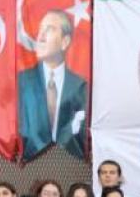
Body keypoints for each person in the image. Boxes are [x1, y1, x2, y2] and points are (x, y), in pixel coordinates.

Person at [18, 9, 88, 159]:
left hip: (70, 166)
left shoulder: (80, 87)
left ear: (65, 42)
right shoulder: (22, 82)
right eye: (40, 30)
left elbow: (82, 136)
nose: (40, 37)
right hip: (29, 166)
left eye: (49, 29)